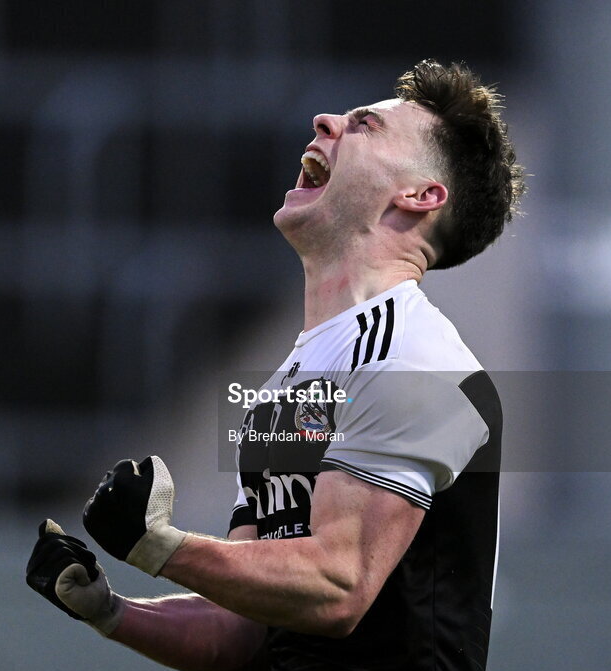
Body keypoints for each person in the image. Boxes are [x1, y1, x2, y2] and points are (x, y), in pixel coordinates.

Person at [26, 58, 524, 671]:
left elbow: (337, 588)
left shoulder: (416, 358)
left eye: (365, 125)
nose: (326, 121)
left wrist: (161, 546)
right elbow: (244, 631)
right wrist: (113, 612)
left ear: (420, 196)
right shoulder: (296, 376)